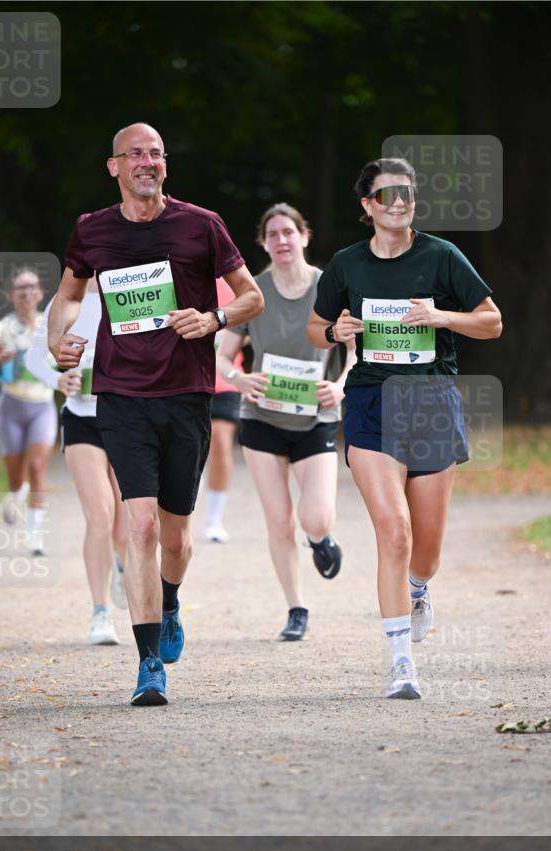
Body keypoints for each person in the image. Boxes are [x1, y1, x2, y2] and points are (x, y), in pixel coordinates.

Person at [48, 121, 264, 707]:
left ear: (165, 164)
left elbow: (252, 296)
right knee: (139, 525)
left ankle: (170, 602)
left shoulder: (202, 224)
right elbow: (68, 294)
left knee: (175, 535)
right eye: (135, 154)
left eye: (156, 154)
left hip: (187, 395)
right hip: (121, 396)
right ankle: (148, 665)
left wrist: (215, 318)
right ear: (114, 166)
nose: (147, 162)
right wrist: (56, 339)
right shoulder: (92, 230)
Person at [308, 157, 502, 699]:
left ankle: (418, 588)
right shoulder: (346, 265)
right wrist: (336, 331)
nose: (399, 203)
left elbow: (492, 321)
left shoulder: (442, 256)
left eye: (407, 194)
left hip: (432, 402)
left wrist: (441, 317)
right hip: (371, 403)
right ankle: (401, 663)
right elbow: (316, 328)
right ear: (367, 205)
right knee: (394, 531)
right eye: (387, 194)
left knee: (426, 551)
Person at [217, 203, 355, 641]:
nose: (281, 240)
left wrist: (342, 386)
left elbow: (357, 349)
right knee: (279, 521)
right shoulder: (253, 292)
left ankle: (321, 539)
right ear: (263, 243)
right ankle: (296, 609)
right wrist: (239, 380)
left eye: (288, 232)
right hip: (262, 419)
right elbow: (221, 356)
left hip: (316, 416)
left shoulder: (329, 287)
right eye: (273, 234)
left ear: (304, 237)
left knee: (316, 517)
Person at [26, 277, 129, 645]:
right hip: (82, 419)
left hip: (129, 420)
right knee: (100, 515)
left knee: (127, 524)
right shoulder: (67, 299)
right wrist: (58, 380)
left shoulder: (131, 288)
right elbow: (34, 357)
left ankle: (122, 567)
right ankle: (100, 613)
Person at [0, 269, 57, 555]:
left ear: (40, 293)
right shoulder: (1, 330)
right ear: (11, 295)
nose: (27, 292)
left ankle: (34, 537)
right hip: (10, 407)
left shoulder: (52, 326)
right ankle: (14, 494)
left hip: (42, 407)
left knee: (36, 468)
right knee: (16, 476)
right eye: (21, 288)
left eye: (32, 286)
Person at [202, 277, 243, 543]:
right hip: (182, 378)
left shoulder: (232, 280)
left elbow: (251, 323)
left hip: (224, 377)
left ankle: (213, 519)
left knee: (219, 442)